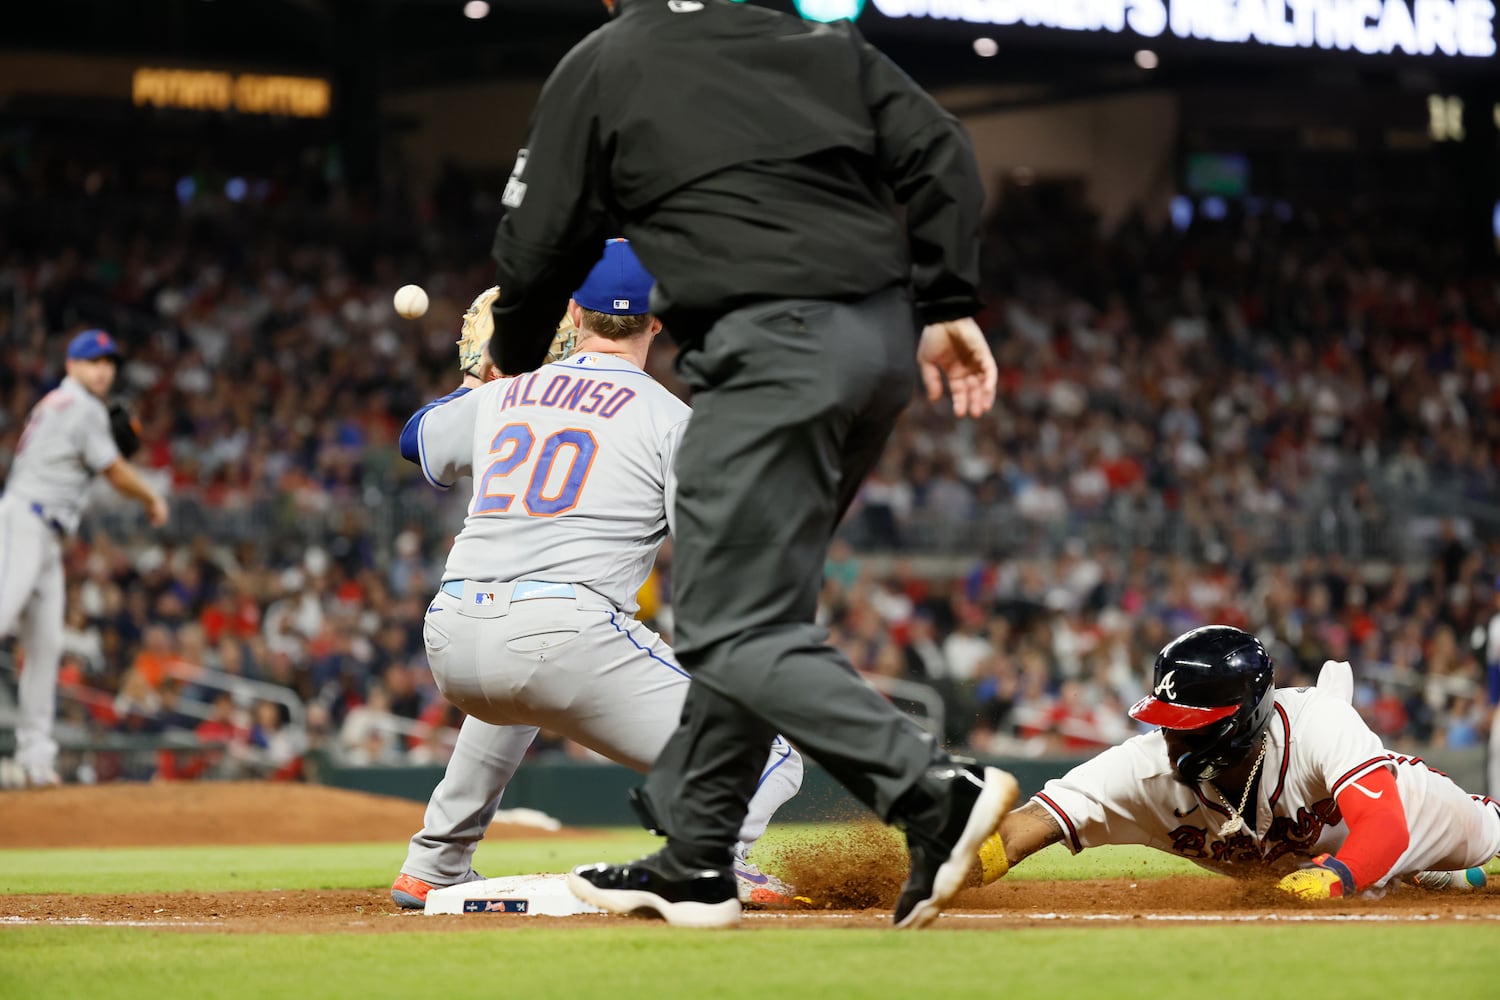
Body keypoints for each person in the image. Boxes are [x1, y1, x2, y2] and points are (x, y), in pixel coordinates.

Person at [484, 0, 1015, 930]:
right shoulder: (821, 45)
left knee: (730, 625)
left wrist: (518, 351)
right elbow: (945, 153)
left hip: (770, 350)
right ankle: (696, 861)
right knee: (757, 614)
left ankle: (929, 789)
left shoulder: (607, 59)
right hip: (879, 347)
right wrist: (945, 300)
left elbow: (541, 237)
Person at [390, 239, 803, 911]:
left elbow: (416, 440)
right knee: (772, 755)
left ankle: (435, 861)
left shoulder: (508, 394)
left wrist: (476, 383)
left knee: (513, 696)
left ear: (572, 313)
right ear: (659, 320)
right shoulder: (672, 420)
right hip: (565, 636)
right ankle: (706, 862)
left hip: (451, 635)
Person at [978, 626, 1500, 898]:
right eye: (1166, 722)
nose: (1171, 740)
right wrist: (947, 865)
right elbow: (1029, 825)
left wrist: (1337, 876)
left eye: (1187, 724)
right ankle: (1409, 880)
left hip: (1410, 812)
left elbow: (1385, 826)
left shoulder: (1318, 724)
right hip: (1313, 861)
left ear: (1241, 721)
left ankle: (1436, 871)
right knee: (1361, 895)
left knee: (1484, 841)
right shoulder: (1141, 771)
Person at [0, 330, 168, 788]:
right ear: (71, 366)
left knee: (46, 645)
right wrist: (153, 497)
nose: (103, 369)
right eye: (92, 360)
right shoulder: (77, 403)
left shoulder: (65, 403)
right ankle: (35, 755)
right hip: (24, 520)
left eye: (108, 362)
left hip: (47, 535)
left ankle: (36, 758)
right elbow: (114, 472)